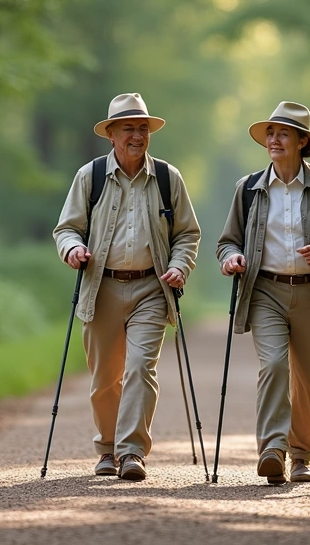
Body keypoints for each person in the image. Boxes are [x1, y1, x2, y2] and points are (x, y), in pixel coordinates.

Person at [53, 92, 201, 481]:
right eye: (128, 129)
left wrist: (179, 266)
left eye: (142, 128)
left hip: (152, 288)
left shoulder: (167, 178)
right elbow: (66, 228)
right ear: (111, 134)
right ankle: (107, 447)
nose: (137, 136)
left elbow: (188, 234)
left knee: (140, 368)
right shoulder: (90, 176)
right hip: (101, 287)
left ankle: (132, 451)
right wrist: (73, 249)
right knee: (105, 378)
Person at [217, 100, 310, 484]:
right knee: (274, 366)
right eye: (271, 133)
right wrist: (232, 258)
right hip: (265, 292)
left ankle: (301, 456)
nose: (274, 140)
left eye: (284, 134)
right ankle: (272, 449)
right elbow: (227, 242)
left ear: (302, 142)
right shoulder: (248, 188)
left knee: (309, 384)